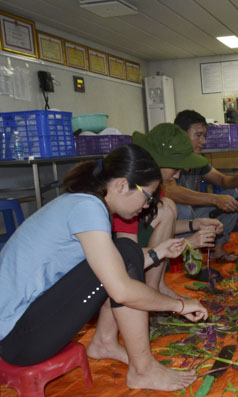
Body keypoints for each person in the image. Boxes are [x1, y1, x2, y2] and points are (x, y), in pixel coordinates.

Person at [0, 144, 210, 391]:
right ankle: (142, 369)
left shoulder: (81, 203)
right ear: (122, 185)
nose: (147, 205)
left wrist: (159, 252)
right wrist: (180, 305)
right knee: (125, 254)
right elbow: (120, 288)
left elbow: (107, 264)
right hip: (19, 340)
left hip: (22, 330)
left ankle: (105, 343)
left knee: (125, 253)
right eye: (148, 195)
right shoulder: (88, 208)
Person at [113, 123, 223, 291]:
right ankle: (149, 290)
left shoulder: (151, 187)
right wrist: (187, 243)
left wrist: (195, 224)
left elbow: (153, 223)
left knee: (168, 207)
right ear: (159, 162)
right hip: (117, 263)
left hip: (132, 251)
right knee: (166, 207)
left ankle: (156, 285)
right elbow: (128, 257)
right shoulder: (129, 194)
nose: (178, 175)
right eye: (175, 169)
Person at [168, 110, 238, 263]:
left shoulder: (197, 160)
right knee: (182, 208)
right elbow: (170, 191)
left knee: (233, 196)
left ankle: (218, 251)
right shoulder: (169, 158)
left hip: (191, 216)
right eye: (198, 135)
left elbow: (222, 180)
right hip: (171, 222)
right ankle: (188, 257)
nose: (203, 141)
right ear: (181, 134)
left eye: (204, 136)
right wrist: (214, 199)